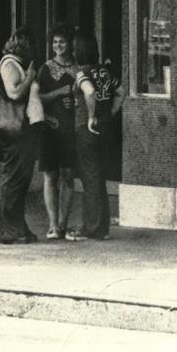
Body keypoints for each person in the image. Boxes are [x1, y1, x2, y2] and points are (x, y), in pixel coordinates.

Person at [67, 33, 124, 242]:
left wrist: (91, 117)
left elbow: (89, 92)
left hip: (86, 128)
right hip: (106, 128)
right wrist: (109, 113)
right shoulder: (104, 71)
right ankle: (102, 225)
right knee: (99, 176)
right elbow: (121, 91)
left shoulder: (82, 72)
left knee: (90, 178)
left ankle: (92, 227)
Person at [0, 32, 39, 245]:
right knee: (14, 178)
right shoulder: (9, 64)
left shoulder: (14, 63)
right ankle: (8, 229)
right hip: (14, 129)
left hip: (19, 129)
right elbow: (13, 93)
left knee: (19, 178)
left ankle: (17, 227)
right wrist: (29, 77)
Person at [35, 25, 78, 240]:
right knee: (50, 176)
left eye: (62, 41)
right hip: (50, 129)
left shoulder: (79, 68)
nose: (58, 46)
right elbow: (37, 98)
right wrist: (60, 92)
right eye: (55, 42)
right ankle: (52, 225)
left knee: (68, 176)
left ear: (70, 43)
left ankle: (63, 224)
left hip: (71, 131)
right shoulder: (45, 69)